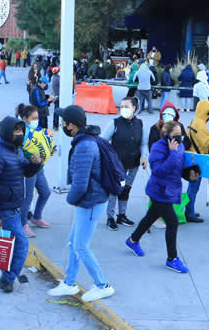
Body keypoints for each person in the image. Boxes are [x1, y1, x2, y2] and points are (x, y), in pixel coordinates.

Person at [47, 105, 114, 302]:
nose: (62, 126)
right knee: (73, 242)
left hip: (90, 202)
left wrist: (70, 199)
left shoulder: (84, 146)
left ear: (73, 125)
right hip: (90, 201)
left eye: (64, 123)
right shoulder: (87, 140)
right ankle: (69, 283)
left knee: (81, 246)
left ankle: (103, 285)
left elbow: (80, 183)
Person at [124, 120, 191, 273]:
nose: (180, 137)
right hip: (159, 191)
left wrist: (190, 172)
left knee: (150, 217)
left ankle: (133, 240)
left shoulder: (179, 145)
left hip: (170, 189)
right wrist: (172, 153)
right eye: (176, 134)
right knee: (172, 222)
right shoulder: (158, 147)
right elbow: (158, 170)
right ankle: (172, 259)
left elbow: (178, 166)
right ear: (167, 135)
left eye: (181, 133)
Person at [0, 116, 41, 293]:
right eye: (16, 131)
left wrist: (35, 164)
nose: (20, 134)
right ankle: (7, 278)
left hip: (14, 208)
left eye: (22, 130)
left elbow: (25, 171)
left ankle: (6, 277)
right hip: (5, 210)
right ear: (8, 132)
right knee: (22, 244)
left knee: (10, 245)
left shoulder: (16, 150)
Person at [101, 97, 149, 230]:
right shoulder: (114, 123)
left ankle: (121, 215)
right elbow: (103, 141)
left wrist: (144, 156)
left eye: (126, 106)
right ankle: (110, 216)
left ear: (134, 108)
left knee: (126, 188)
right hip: (117, 164)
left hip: (134, 163)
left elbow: (144, 143)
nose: (123, 109)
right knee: (115, 189)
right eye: (121, 106)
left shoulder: (140, 123)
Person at [185, 100, 209, 222]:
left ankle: (189, 210)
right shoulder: (201, 125)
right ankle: (190, 214)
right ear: (206, 111)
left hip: (192, 157)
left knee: (192, 186)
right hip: (198, 159)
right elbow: (206, 142)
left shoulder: (194, 120)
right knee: (193, 187)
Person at [16, 104, 52, 237]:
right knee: (28, 197)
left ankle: (36, 217)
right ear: (25, 118)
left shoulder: (37, 130)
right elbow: (20, 150)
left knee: (45, 192)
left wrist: (48, 150)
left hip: (39, 167)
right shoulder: (21, 132)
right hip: (29, 169)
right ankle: (23, 224)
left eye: (38, 117)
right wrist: (31, 157)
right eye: (34, 118)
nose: (37, 120)